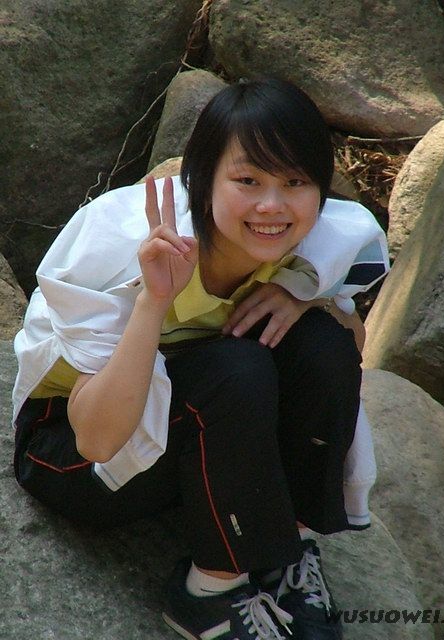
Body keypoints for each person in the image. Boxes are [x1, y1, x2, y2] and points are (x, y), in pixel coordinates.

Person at [12, 77, 389, 640]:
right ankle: (208, 591)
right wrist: (153, 301)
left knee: (322, 340)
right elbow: (95, 439)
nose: (272, 205)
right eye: (248, 180)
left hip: (182, 431)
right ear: (202, 179)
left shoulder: (305, 246)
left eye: (295, 181)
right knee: (237, 370)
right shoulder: (128, 251)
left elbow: (347, 355)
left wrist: (302, 296)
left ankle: (283, 550)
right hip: (71, 454)